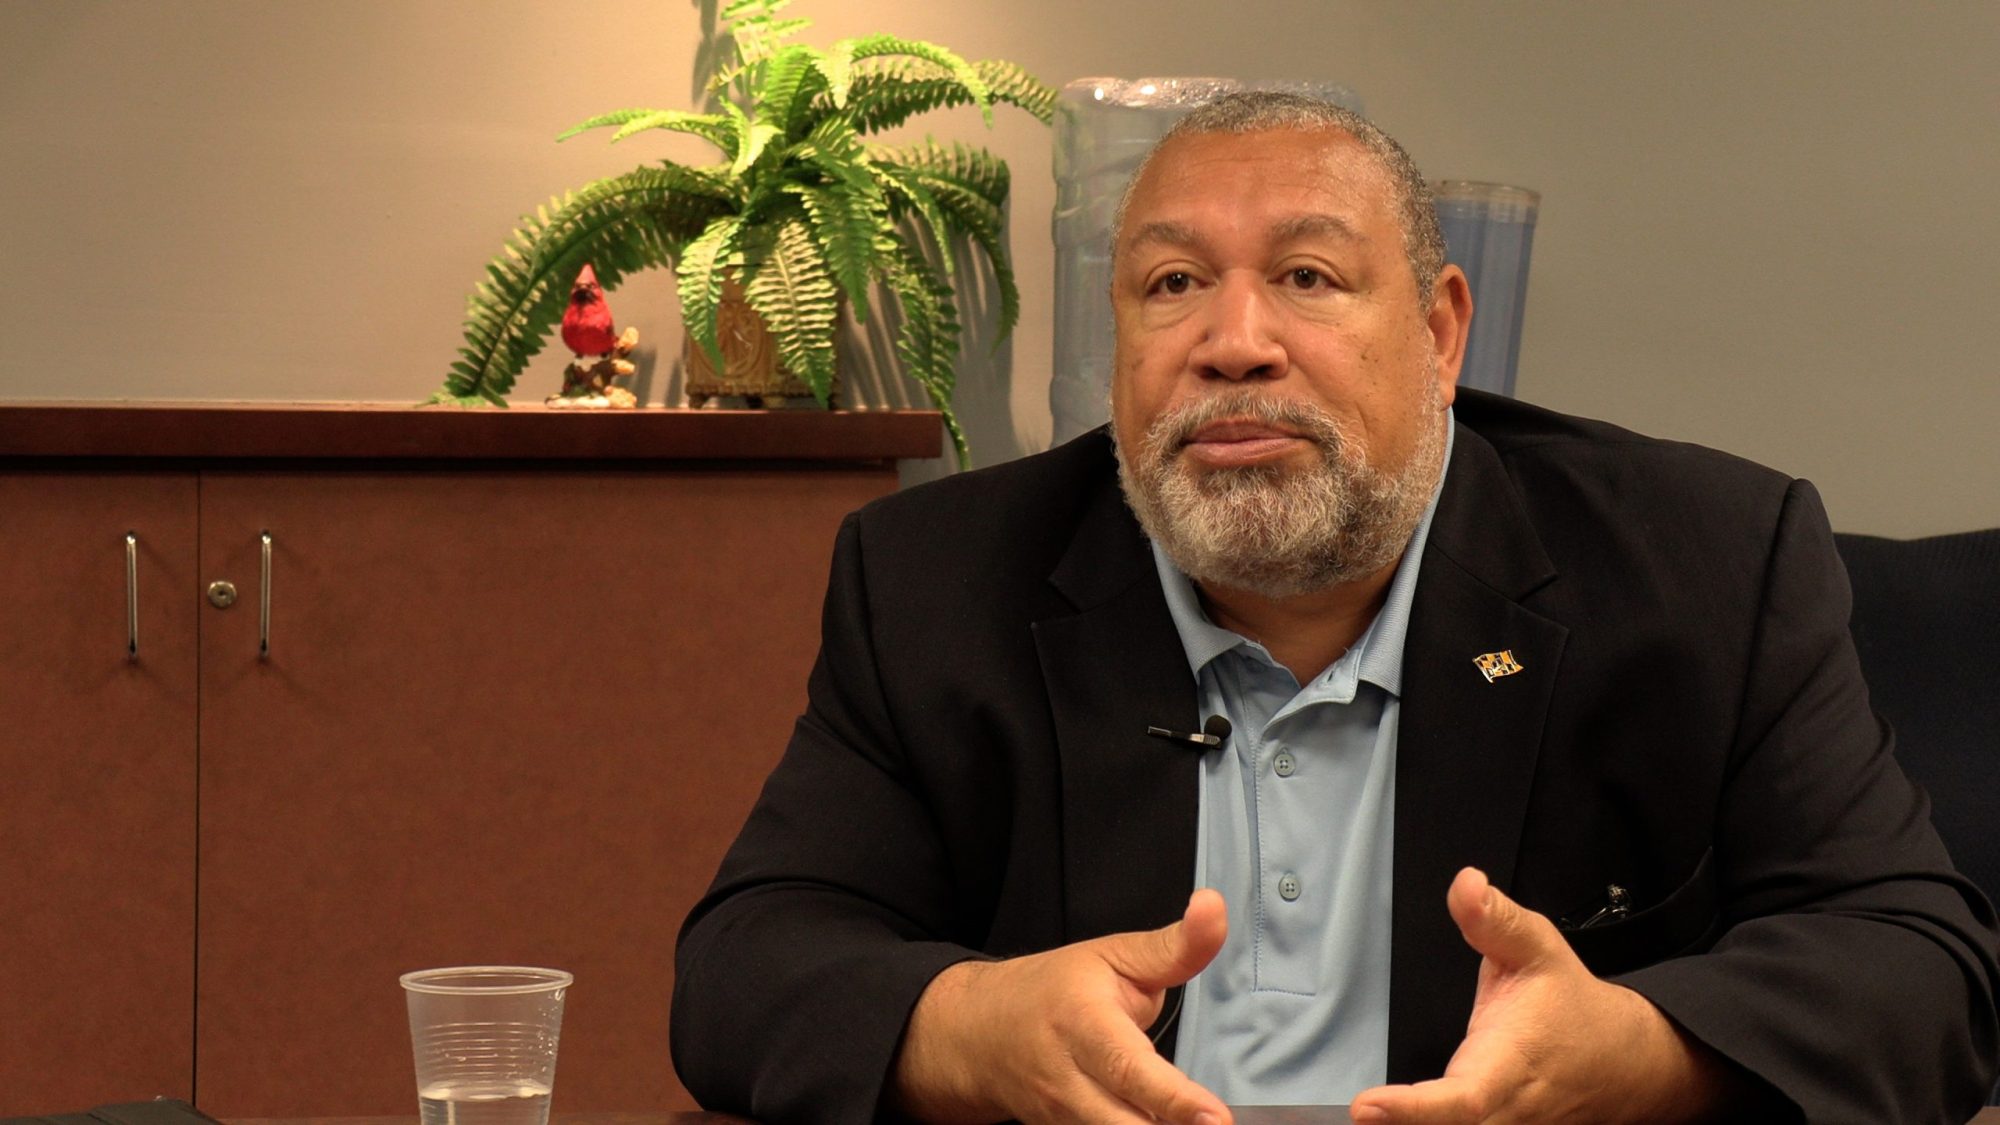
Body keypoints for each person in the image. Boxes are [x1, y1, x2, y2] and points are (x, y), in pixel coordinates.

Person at [670, 92, 2000, 1123]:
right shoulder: (935, 581)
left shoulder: (1708, 565)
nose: (1232, 339)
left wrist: (1641, 1056)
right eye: (1171, 284)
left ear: (1439, 335)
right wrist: (969, 1028)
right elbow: (744, 966)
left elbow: (1920, 965)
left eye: (1307, 276)